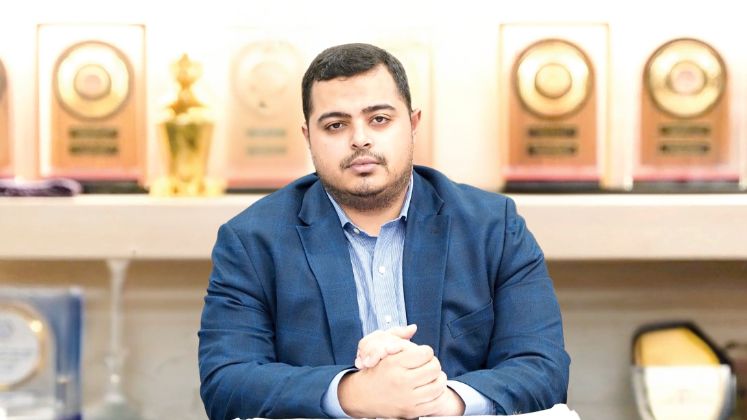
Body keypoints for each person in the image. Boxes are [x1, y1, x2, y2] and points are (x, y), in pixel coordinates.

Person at [198, 42, 570, 420]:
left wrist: (441, 400)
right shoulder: (252, 241)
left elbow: (543, 367)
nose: (360, 139)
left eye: (379, 119)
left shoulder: (493, 227)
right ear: (308, 136)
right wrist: (352, 392)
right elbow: (226, 382)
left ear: (413, 124)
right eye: (336, 125)